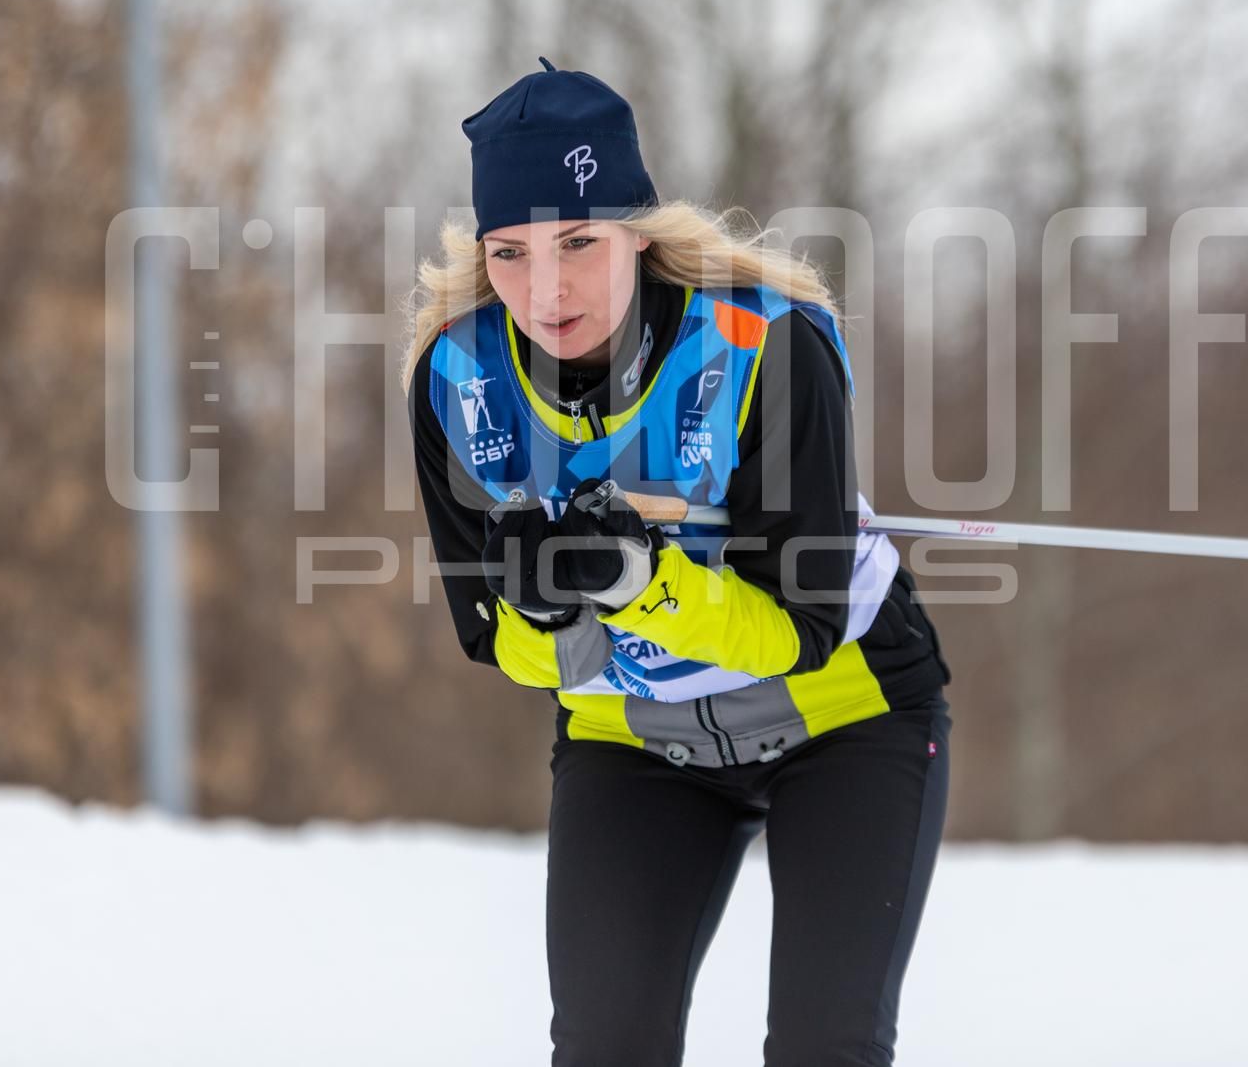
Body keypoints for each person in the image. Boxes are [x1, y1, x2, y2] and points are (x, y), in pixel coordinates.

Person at [401, 58, 952, 1067]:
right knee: (607, 1045)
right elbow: (500, 647)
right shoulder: (459, 378)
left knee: (825, 1045)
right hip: (635, 738)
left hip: (841, 713)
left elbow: (800, 627)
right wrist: (538, 606)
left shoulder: (764, 347)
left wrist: (637, 584)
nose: (546, 286)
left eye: (577, 241)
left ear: (637, 233)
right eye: (510, 253)